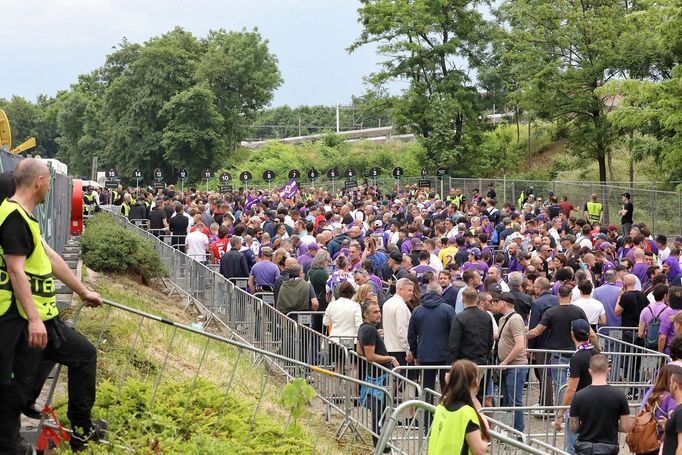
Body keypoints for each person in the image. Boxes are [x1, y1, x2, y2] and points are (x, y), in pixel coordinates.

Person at [0, 158, 105, 452]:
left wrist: (83, 291)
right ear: (38, 182)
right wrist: (33, 318)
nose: (49, 185)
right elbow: (15, 270)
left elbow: (52, 259)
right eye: (47, 180)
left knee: (83, 355)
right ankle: (13, 443)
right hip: (24, 320)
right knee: (13, 389)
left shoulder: (25, 217)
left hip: (45, 319)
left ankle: (81, 429)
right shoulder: (13, 217)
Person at [356, 301, 399, 453]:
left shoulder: (364, 328)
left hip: (375, 375)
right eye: (374, 312)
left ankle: (379, 442)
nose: (379, 314)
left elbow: (359, 351)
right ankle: (380, 444)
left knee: (379, 411)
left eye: (379, 311)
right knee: (379, 412)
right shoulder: (369, 331)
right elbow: (369, 356)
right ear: (365, 315)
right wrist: (390, 359)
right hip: (380, 376)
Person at [569, 354, 632, 455]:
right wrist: (611, 424)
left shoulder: (578, 396)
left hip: (585, 447)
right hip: (609, 447)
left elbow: (573, 428)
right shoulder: (619, 395)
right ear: (608, 370)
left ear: (589, 371)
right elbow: (626, 427)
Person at [553, 319, 600, 454]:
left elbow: (571, 389)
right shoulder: (597, 354)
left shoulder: (577, 358)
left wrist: (560, 414)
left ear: (572, 334)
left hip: (577, 410)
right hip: (595, 407)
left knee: (573, 446)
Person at [427, 359, 489, 455]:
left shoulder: (441, 406)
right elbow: (479, 450)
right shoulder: (467, 413)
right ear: (474, 382)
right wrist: (485, 432)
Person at [407, 281, 454, 396]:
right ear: (440, 293)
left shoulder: (417, 310)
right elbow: (455, 333)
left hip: (424, 355)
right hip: (445, 356)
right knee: (446, 389)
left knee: (427, 389)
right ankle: (446, 412)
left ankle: (428, 413)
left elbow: (411, 335)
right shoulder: (448, 310)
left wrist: (416, 354)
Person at [494, 292, 528, 433]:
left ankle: (518, 433)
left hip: (515, 366)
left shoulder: (515, 319)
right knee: (507, 401)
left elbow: (520, 344)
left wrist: (506, 361)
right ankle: (508, 430)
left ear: (503, 302)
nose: (495, 304)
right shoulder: (503, 319)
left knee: (515, 401)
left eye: (497, 302)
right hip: (507, 366)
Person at [448, 288, 493, 368]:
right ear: (477, 300)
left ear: (462, 300)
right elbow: (490, 340)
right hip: (481, 362)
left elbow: (454, 344)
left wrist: (449, 365)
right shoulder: (486, 316)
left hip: (464, 364)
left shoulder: (459, 318)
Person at [382, 278, 414, 368]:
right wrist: (408, 350)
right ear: (400, 290)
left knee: (394, 380)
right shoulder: (401, 306)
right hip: (400, 350)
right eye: (409, 290)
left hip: (389, 347)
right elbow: (402, 330)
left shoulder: (387, 303)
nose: (412, 293)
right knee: (407, 380)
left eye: (412, 290)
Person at [662, 369, 682, 454]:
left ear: (674, 385)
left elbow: (681, 448)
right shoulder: (678, 410)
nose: (669, 386)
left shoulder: (680, 411)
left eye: (670, 383)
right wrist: (667, 425)